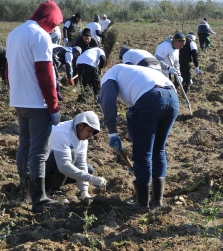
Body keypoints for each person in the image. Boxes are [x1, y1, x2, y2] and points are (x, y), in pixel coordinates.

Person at [6, 0, 64, 212]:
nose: (56, 28)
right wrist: (53, 106)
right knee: (40, 150)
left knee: (25, 144)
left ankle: (25, 187)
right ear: (50, 19)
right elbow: (45, 72)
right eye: (56, 23)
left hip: (19, 100)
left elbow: (8, 69)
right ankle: (39, 199)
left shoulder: (14, 33)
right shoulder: (40, 35)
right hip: (37, 103)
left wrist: (15, 92)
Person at [99, 64, 179, 208]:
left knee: (143, 155)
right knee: (158, 150)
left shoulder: (109, 76)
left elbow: (108, 102)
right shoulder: (133, 73)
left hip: (150, 98)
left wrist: (112, 132)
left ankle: (142, 203)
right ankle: (157, 201)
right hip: (172, 98)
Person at [45, 111, 107, 201]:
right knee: (72, 153)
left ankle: (50, 186)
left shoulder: (82, 138)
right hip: (38, 170)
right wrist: (91, 178)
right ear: (80, 125)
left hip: (54, 168)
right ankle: (54, 190)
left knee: (88, 169)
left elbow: (81, 164)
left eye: (92, 132)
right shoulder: (62, 133)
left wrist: (84, 192)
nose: (90, 135)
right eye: (89, 131)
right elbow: (64, 166)